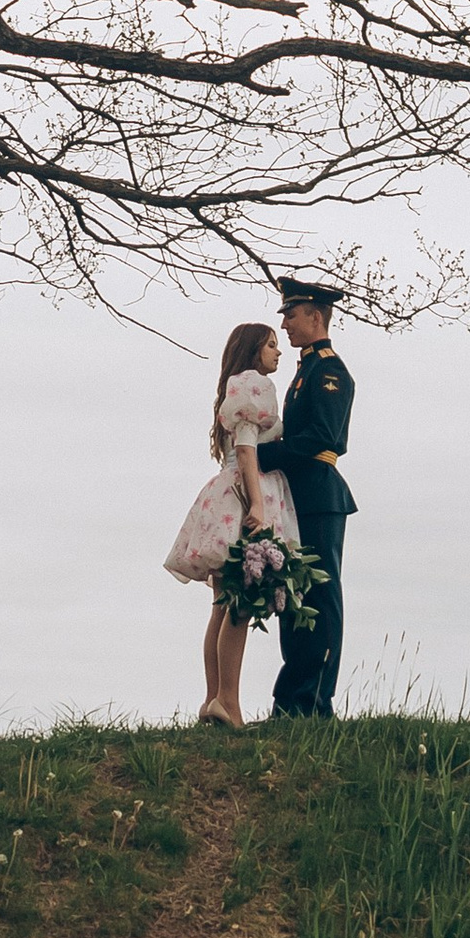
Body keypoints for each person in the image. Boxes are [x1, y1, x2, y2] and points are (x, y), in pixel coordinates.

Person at [161, 320, 299, 729]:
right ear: (254, 349)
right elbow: (246, 447)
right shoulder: (253, 385)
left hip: (224, 495)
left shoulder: (233, 386)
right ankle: (229, 704)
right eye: (272, 345)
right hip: (242, 496)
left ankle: (214, 700)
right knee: (239, 604)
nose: (278, 352)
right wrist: (257, 503)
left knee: (223, 605)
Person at [255, 275, 355, 717]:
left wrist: (264, 454)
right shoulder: (306, 369)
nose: (287, 325)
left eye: (292, 316)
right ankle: (290, 701)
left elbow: (322, 435)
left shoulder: (329, 371)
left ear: (315, 316)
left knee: (319, 596)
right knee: (294, 595)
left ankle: (314, 702)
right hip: (297, 495)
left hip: (319, 495)